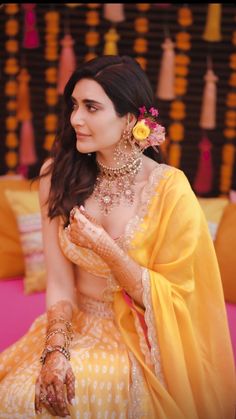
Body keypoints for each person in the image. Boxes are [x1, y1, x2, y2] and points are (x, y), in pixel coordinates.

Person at [0, 55, 235, 419]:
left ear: (130, 119)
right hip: (71, 326)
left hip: (138, 339)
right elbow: (60, 284)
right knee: (17, 394)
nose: (76, 118)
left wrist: (106, 249)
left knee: (68, 400)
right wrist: (56, 351)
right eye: (74, 106)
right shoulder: (57, 175)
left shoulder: (168, 190)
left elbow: (176, 299)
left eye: (91, 107)